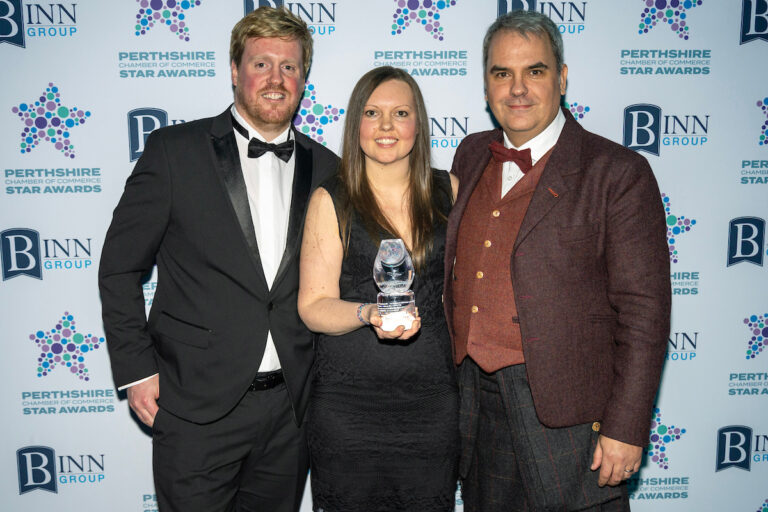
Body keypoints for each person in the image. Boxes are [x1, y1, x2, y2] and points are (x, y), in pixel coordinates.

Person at [98, 7, 338, 512]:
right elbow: (119, 268)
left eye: (289, 67)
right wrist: (137, 371)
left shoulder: (329, 169)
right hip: (194, 407)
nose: (276, 79)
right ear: (234, 71)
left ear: (303, 78)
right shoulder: (173, 152)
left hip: (290, 413)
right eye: (261, 64)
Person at [443, 10, 671, 512]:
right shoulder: (470, 153)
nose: (518, 88)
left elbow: (644, 313)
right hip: (477, 408)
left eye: (536, 71)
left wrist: (626, 427)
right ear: (486, 85)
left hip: (572, 422)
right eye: (502, 73)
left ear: (562, 78)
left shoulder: (617, 172)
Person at [297, 66, 460, 512]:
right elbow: (313, 306)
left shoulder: (452, 191)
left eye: (400, 112)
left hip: (432, 407)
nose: (386, 126)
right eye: (373, 112)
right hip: (349, 412)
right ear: (357, 126)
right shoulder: (331, 200)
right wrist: (368, 313)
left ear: (418, 124)